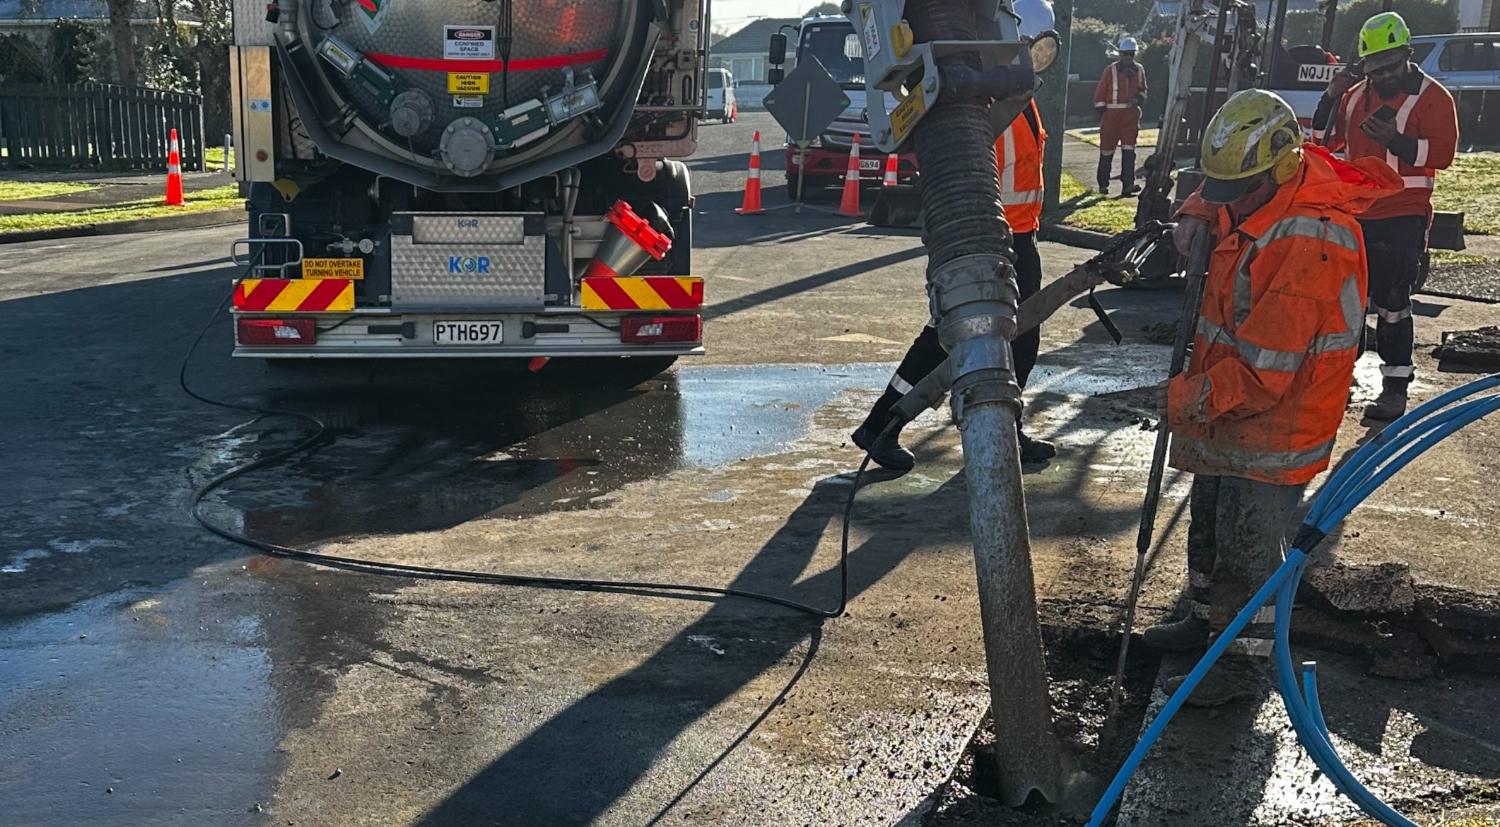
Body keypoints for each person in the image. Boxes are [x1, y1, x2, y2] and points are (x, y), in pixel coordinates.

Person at [1141, 90, 1400, 706]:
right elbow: (1221, 191)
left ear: (1281, 168)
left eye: (1237, 192)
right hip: (1228, 402)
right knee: (1208, 519)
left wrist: (1179, 399)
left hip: (1276, 417)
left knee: (1249, 545)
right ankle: (1203, 620)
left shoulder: (1311, 239)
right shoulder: (1261, 187)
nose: (1229, 202)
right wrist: (1197, 211)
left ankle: (1238, 666)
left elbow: (1265, 371)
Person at [851, 2, 1055, 471]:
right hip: (989, 234)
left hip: (1019, 233)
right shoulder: (976, 101)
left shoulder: (1010, 95)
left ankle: (1004, 426)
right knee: (958, 331)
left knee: (1015, 337)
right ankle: (883, 423)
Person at [1311, 11, 1458, 421]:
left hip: (1403, 214)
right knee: (1347, 304)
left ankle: (1394, 388)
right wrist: (1329, 98)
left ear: (1407, 56)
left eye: (1390, 67)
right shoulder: (1357, 95)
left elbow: (1442, 154)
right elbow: (1328, 143)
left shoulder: (1433, 98)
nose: (1384, 76)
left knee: (1392, 302)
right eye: (1375, 68)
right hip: (1357, 212)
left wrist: (1397, 141)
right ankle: (1338, 382)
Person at [1094, 36, 1147, 197]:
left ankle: (1128, 185)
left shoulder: (1139, 70)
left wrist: (1138, 99)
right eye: (1125, 54)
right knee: (1106, 151)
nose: (1128, 58)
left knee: (1129, 151)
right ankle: (1103, 184)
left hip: (1130, 116)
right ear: (1120, 54)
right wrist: (1102, 113)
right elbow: (1100, 93)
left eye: (1131, 54)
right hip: (1111, 116)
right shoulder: (1110, 70)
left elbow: (1143, 90)